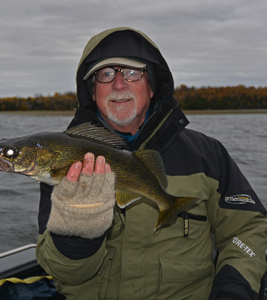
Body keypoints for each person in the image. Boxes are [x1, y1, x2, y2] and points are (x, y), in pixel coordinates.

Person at [36, 27, 267, 300]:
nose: (119, 85)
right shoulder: (68, 162)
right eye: (106, 73)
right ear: (92, 90)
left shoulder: (208, 155)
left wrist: (233, 291)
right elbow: (65, 274)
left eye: (133, 72)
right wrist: (75, 232)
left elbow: (247, 231)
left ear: (152, 85)